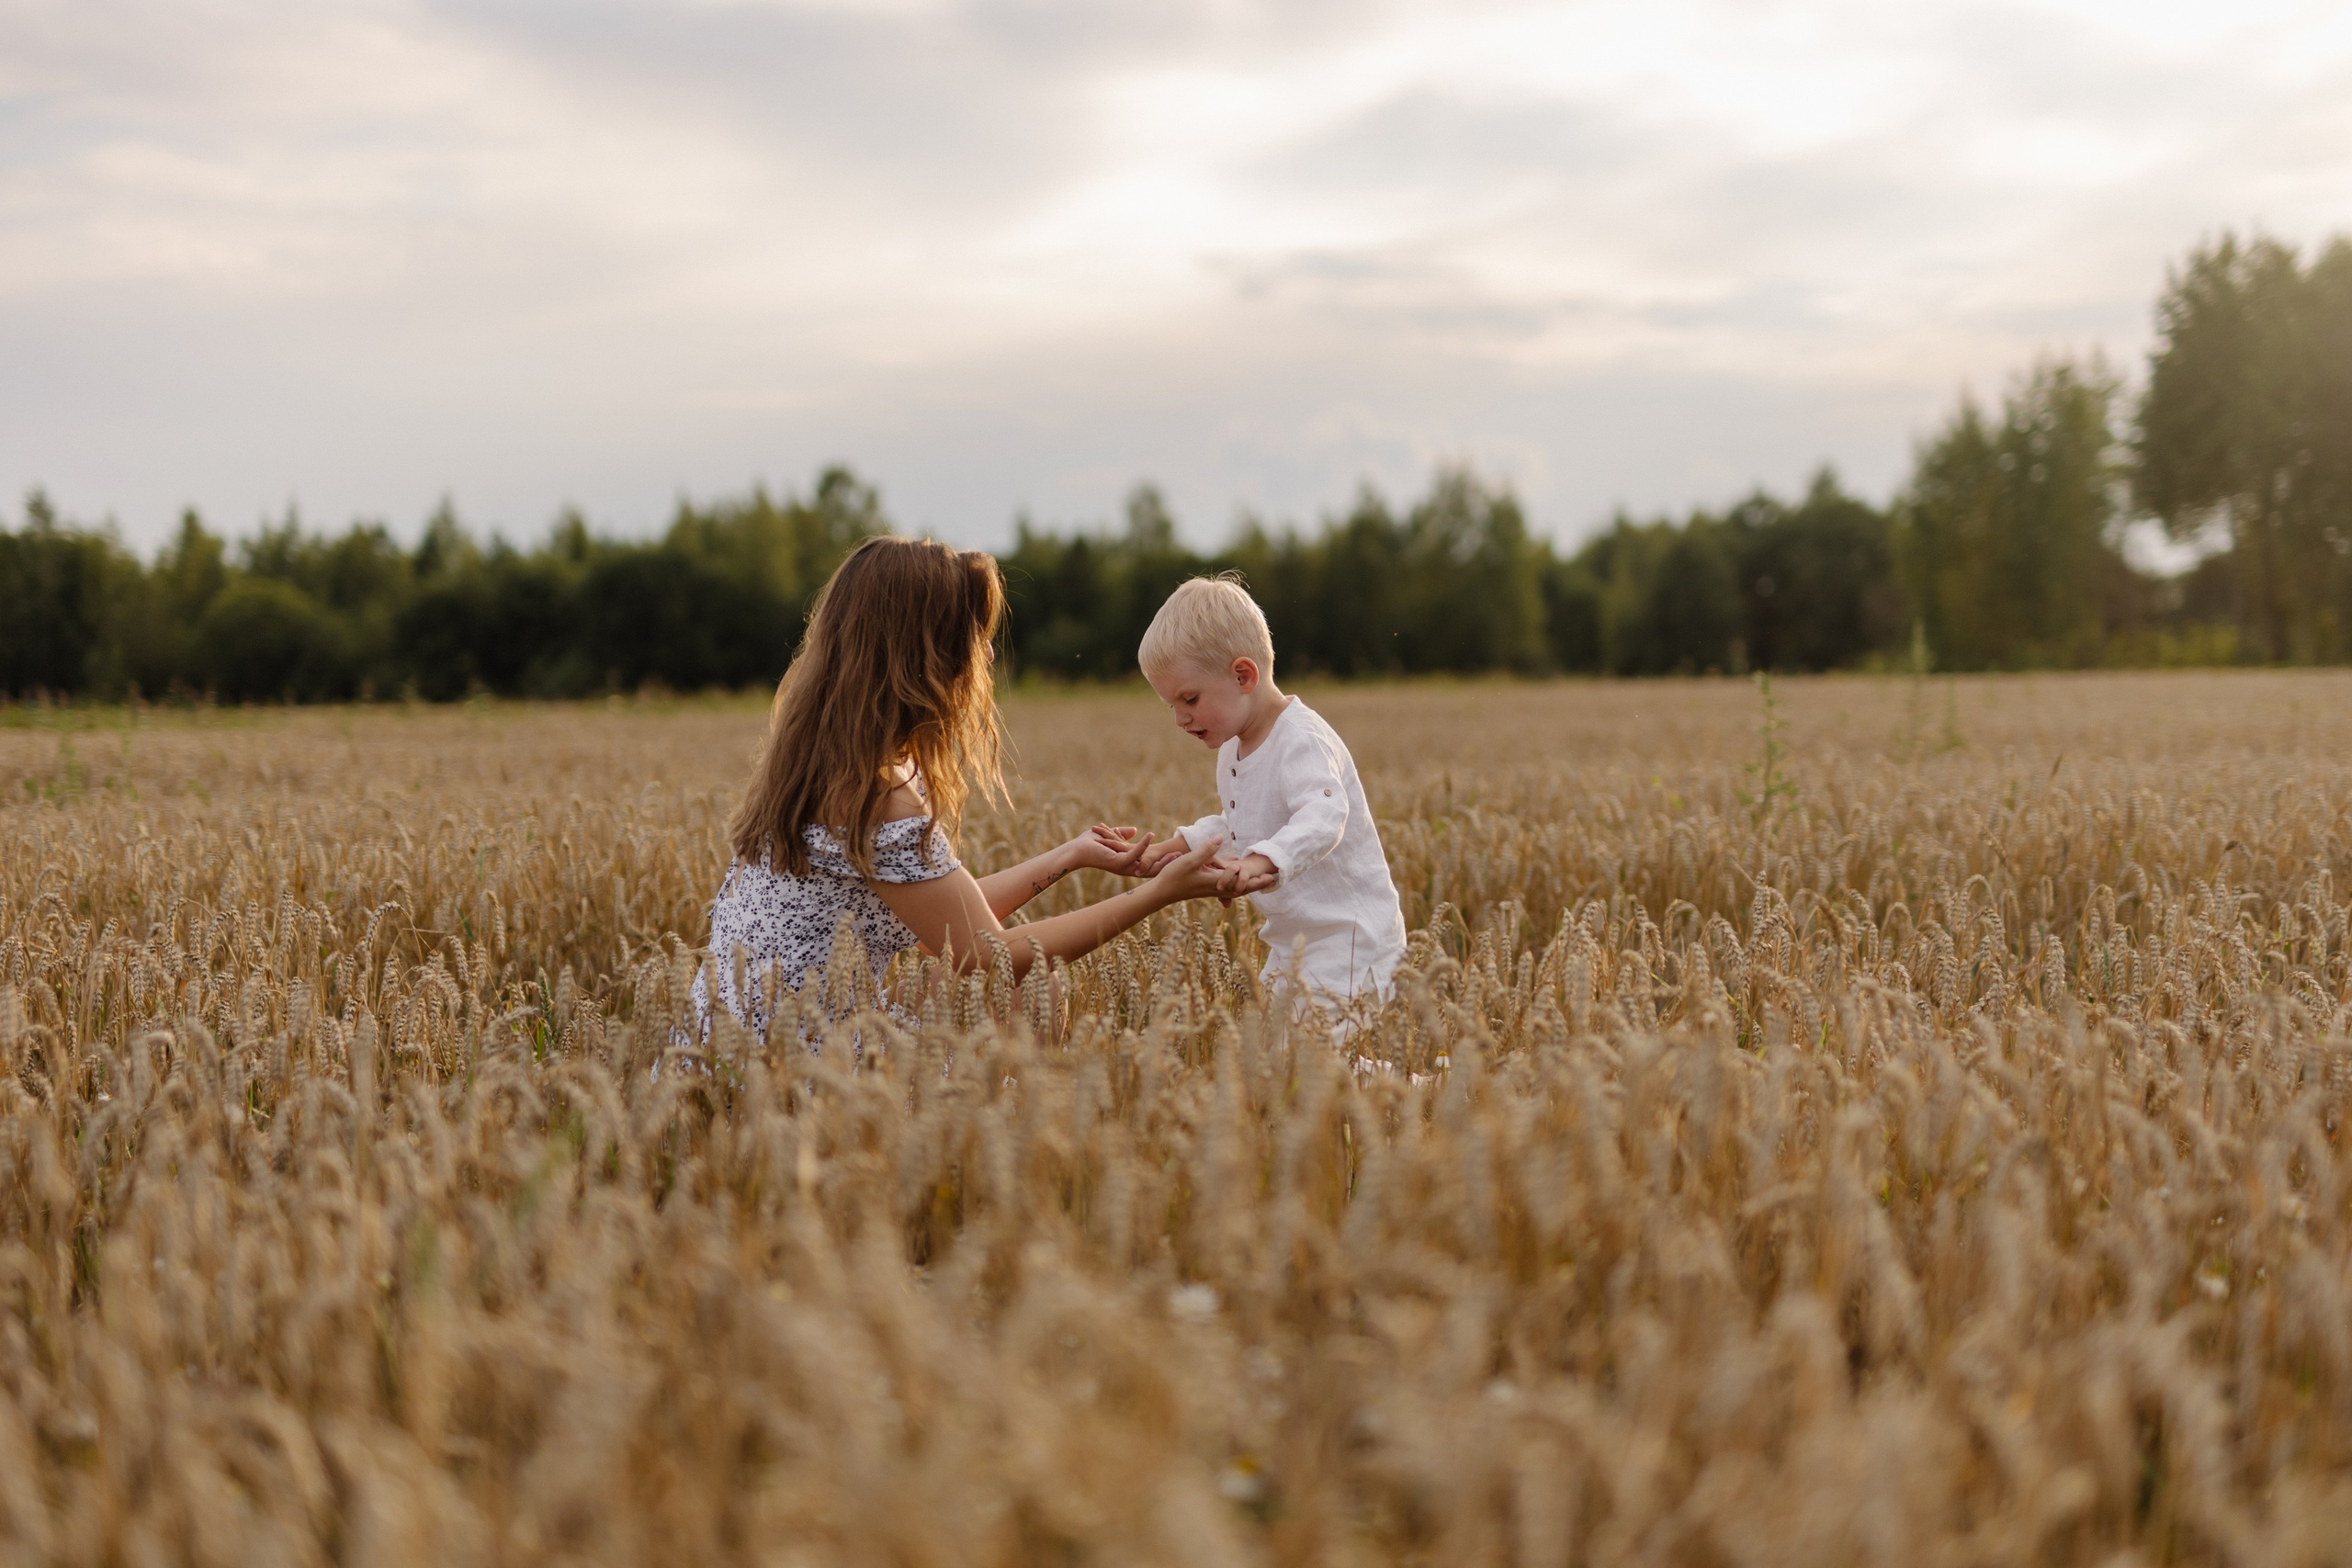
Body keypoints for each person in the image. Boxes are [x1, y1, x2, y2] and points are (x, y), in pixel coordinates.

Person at [692, 536, 1231, 1041]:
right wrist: (1159, 893)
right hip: (798, 1065)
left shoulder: (818, 761)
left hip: (734, 1046)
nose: (988, 656)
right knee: (1033, 988)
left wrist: (1072, 855)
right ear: (925, 654)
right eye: (975, 637)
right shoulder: (876, 794)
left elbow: (943, 923)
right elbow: (983, 954)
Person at [1100, 575, 1407, 1011]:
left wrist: (1259, 862)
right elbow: (1242, 821)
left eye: (1190, 699)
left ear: (1243, 676)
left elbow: (1324, 816)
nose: (1180, 719)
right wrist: (1171, 850)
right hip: (1292, 941)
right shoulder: (1234, 747)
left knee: (1313, 1054)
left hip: (1350, 941)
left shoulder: (1300, 739)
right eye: (1172, 706)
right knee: (1275, 1049)